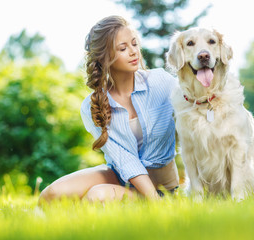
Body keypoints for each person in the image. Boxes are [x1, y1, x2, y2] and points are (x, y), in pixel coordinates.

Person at [38, 15, 179, 204]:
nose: (133, 52)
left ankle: (145, 203)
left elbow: (194, 105)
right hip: (121, 176)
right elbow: (124, 160)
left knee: (96, 196)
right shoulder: (92, 105)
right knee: (51, 195)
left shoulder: (161, 81)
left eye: (134, 44)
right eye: (123, 48)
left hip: (161, 186)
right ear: (105, 57)